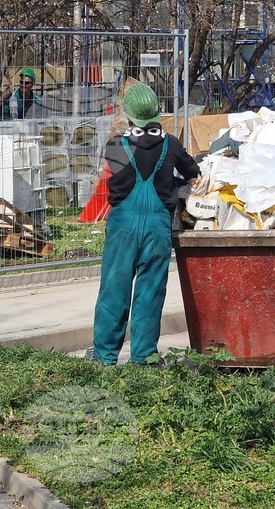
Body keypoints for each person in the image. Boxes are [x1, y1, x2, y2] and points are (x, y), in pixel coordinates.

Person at [89, 82, 200, 365]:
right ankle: (144, 357)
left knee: (114, 288)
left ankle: (104, 356)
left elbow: (117, 176)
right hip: (157, 225)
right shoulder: (172, 144)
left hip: (123, 225)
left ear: (129, 114)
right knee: (150, 290)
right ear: (156, 112)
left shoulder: (115, 145)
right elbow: (192, 173)